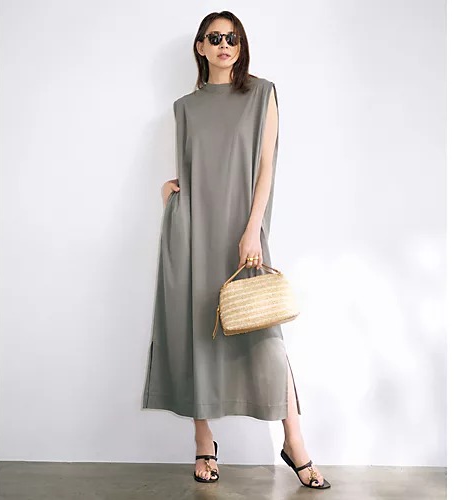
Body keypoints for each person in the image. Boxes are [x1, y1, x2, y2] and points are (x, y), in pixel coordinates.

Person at [141, 10, 330, 489]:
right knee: (194, 333)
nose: (225, 44)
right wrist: (169, 194)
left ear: (241, 46)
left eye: (233, 37)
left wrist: (252, 231)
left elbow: (266, 167)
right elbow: (191, 168)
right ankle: (204, 443)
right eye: (215, 37)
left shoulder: (262, 94)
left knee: (266, 339)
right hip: (191, 232)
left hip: (242, 233)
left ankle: (295, 443)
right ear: (201, 47)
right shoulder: (185, 107)